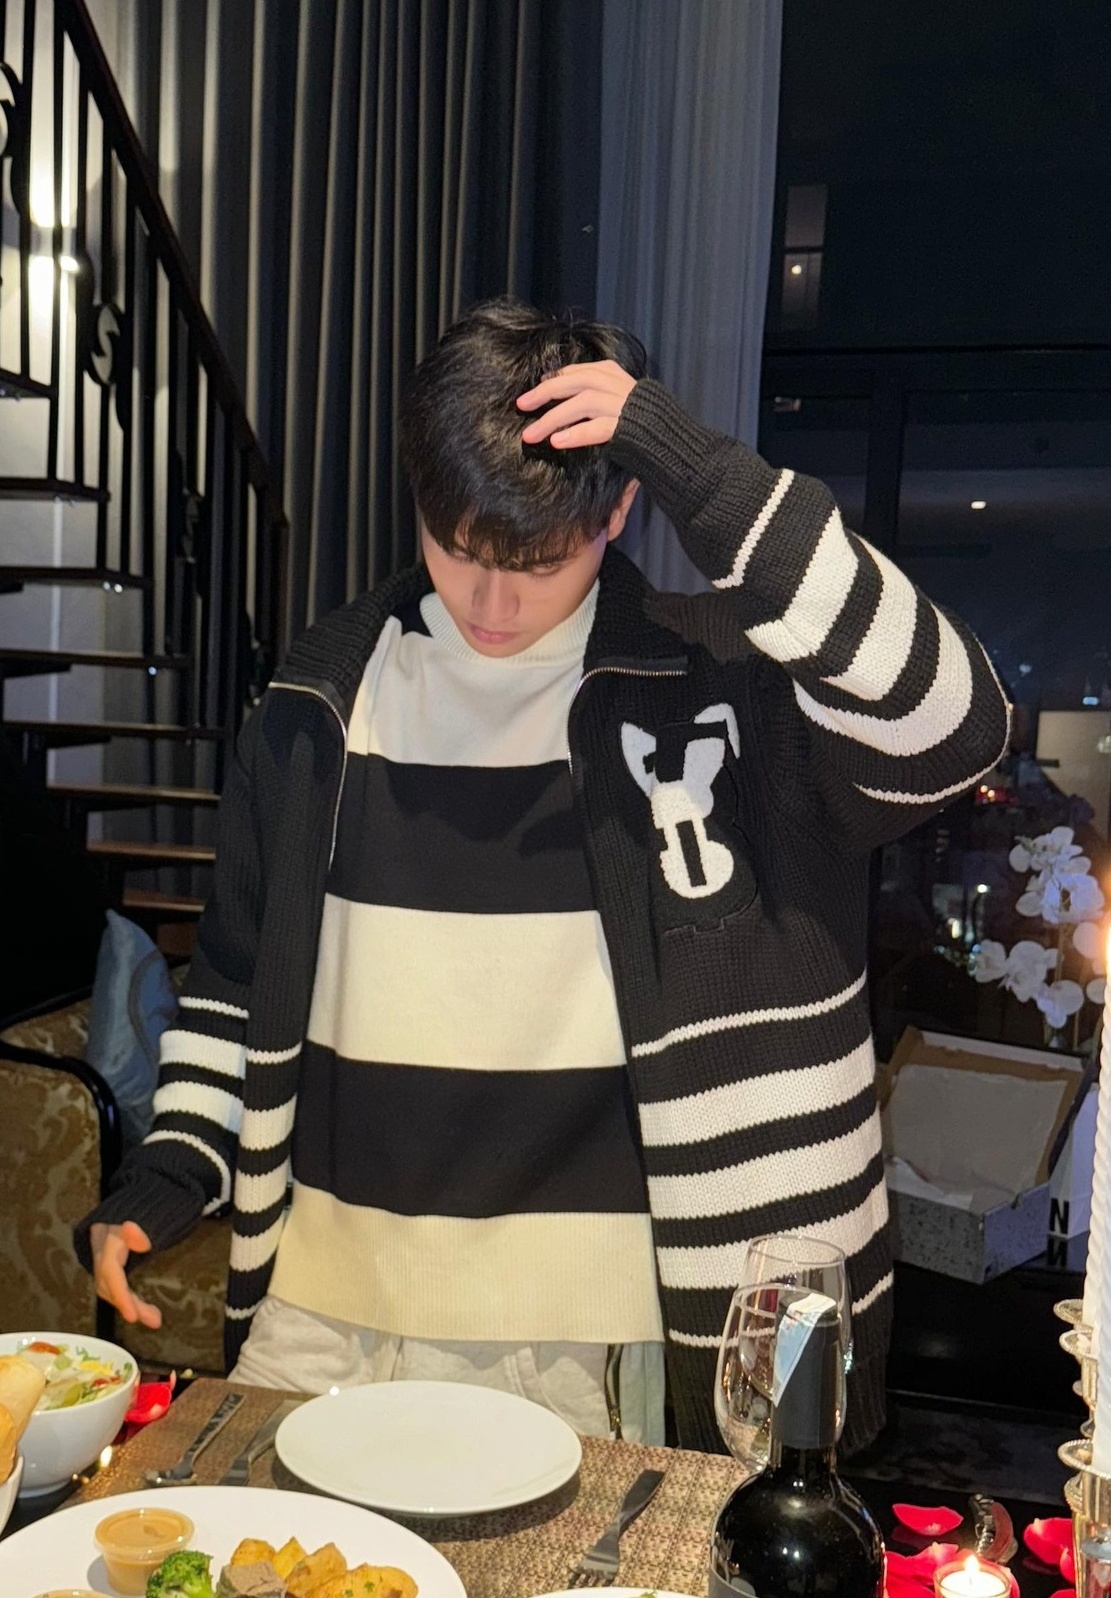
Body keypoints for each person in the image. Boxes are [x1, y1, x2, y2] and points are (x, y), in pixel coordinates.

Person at [74, 298, 1009, 1454]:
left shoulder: (722, 687)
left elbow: (953, 721)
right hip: (317, 1311)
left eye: (536, 561)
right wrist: (173, 1168)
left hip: (584, 1345)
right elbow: (232, 984)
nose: (492, 601)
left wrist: (687, 460)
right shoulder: (321, 697)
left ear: (617, 508)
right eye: (458, 547)